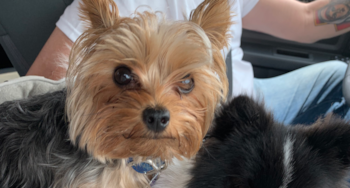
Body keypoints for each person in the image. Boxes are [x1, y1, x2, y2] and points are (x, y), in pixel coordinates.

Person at [26, 0, 350, 124]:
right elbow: (42, 86)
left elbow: (307, 20)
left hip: (249, 97)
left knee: (339, 77)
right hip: (200, 121)